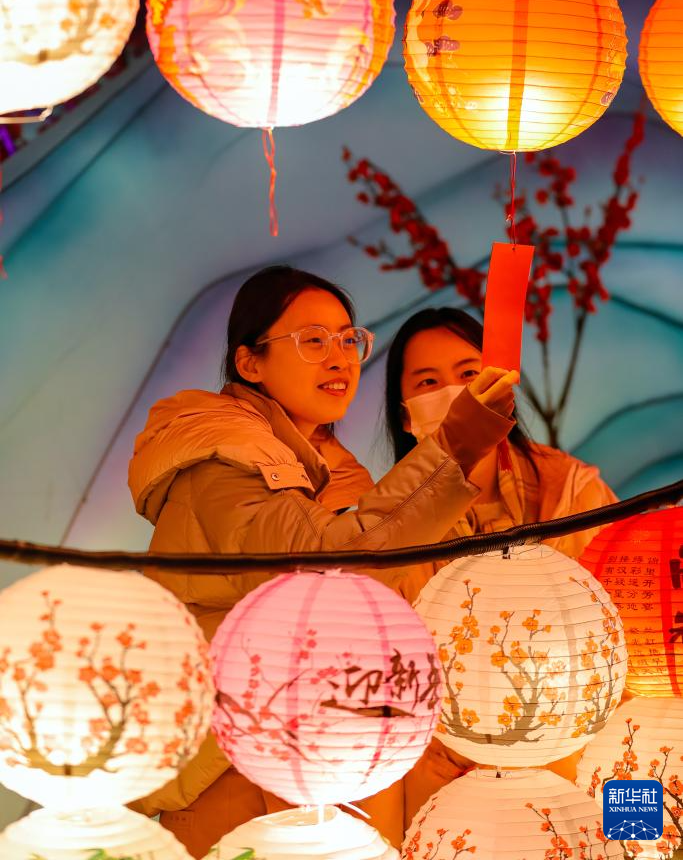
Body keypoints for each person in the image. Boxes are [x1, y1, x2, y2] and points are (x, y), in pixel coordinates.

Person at [127, 267, 519, 858]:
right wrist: (454, 447)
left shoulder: (332, 467)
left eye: (348, 339)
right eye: (313, 340)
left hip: (329, 754)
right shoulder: (223, 458)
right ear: (250, 363)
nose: (339, 358)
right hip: (237, 758)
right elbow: (331, 565)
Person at [383, 306, 617, 823]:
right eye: (428, 381)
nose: (457, 395)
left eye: (469, 373)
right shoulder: (390, 523)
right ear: (404, 414)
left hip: (568, 751)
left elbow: (623, 627)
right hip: (437, 762)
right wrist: (438, 742)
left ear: (503, 388)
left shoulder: (571, 493)